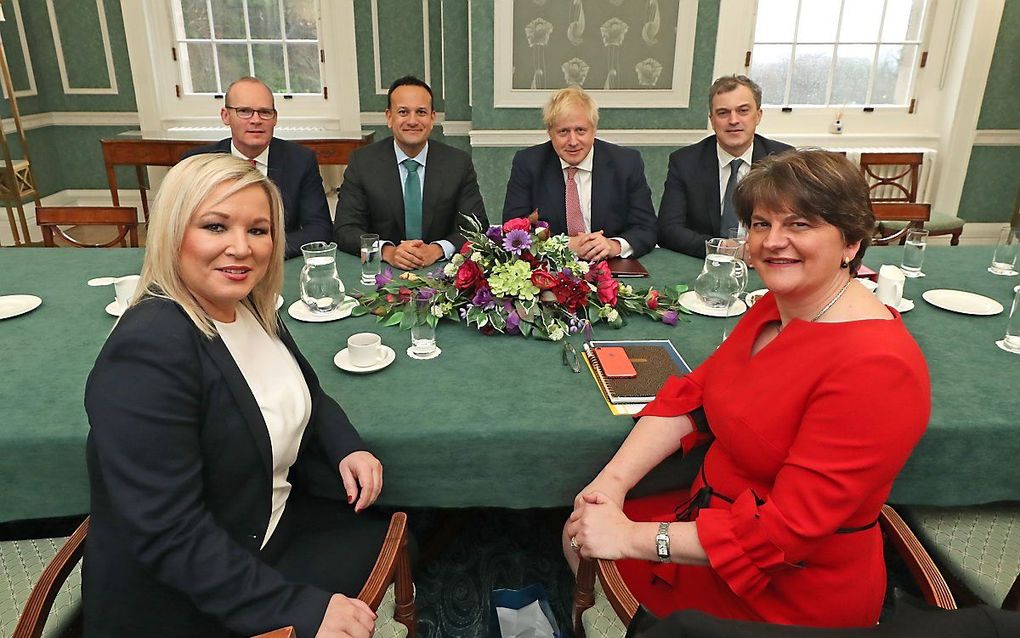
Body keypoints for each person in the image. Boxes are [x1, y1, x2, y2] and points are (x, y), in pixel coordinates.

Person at [564, 150, 930, 628]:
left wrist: (632, 537)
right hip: (706, 523)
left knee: (587, 542)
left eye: (799, 224)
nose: (774, 242)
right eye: (761, 224)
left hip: (781, 592)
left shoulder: (880, 368)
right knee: (576, 531)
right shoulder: (779, 306)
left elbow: (782, 534)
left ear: (851, 242)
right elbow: (695, 394)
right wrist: (609, 487)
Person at [83, 154, 393, 638]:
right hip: (196, 590)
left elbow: (303, 387)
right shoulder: (149, 349)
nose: (241, 248)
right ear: (172, 232)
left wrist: (344, 443)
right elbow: (171, 534)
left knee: (408, 525)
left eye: (258, 230)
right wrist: (298, 609)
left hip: (266, 521)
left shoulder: (246, 304)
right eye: (215, 226)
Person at [333, 75, 488, 270]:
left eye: (421, 112)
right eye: (403, 112)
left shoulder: (457, 163)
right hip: (384, 272)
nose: (412, 121)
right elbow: (345, 229)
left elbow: (477, 226)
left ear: (432, 118)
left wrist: (438, 249)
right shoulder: (362, 163)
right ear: (389, 117)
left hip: (440, 271)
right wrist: (387, 251)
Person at [182, 76, 333, 259]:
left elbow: (319, 229)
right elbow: (177, 227)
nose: (256, 120)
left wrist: (261, 251)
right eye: (244, 111)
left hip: (279, 262)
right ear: (225, 115)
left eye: (265, 112)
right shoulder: (199, 163)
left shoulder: (300, 160)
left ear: (275, 118)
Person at [502, 87, 658, 260]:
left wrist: (613, 245)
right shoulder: (528, 163)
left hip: (610, 266)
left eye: (580, 130)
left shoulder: (626, 163)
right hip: (551, 269)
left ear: (594, 129)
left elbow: (646, 228)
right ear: (550, 132)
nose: (573, 141)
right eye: (563, 132)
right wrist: (564, 245)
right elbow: (512, 230)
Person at [658, 75, 792, 257]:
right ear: (712, 120)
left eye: (743, 111)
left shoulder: (785, 160)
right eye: (723, 113)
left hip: (769, 260)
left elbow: (798, 225)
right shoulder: (685, 162)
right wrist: (724, 248)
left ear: (758, 115)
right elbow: (668, 230)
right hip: (707, 265)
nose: (733, 120)